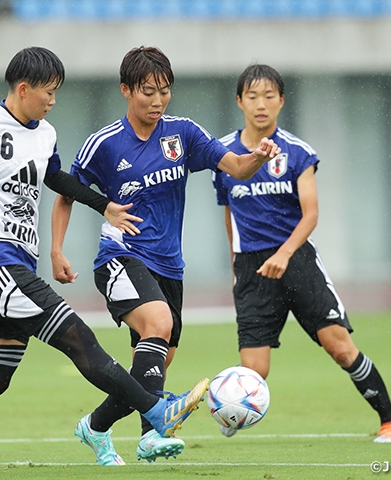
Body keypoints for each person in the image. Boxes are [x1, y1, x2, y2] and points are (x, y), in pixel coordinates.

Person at [0, 47, 210, 478]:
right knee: (78, 337)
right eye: (48, 92)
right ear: (24, 88)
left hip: (18, 266)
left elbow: (57, 180)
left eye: (57, 93)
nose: (52, 101)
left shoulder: (45, 133)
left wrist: (103, 205)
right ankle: (158, 412)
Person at [50, 46, 282, 465]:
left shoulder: (183, 133)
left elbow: (235, 166)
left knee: (155, 366)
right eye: (147, 92)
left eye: (164, 91)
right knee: (159, 322)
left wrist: (257, 158)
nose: (157, 101)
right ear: (126, 90)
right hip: (120, 257)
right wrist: (56, 250)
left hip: (169, 266)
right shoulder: (104, 143)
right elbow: (67, 192)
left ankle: (101, 428)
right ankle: (158, 428)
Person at [212, 64, 391, 443]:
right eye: (252, 96)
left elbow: (312, 213)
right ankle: (233, 412)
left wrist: (284, 254)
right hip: (251, 267)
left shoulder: (298, 152)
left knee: (338, 345)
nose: (261, 104)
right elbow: (228, 213)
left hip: (296, 260)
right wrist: (235, 264)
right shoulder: (224, 156)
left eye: (269, 96)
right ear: (239, 101)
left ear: (282, 101)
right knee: (254, 370)